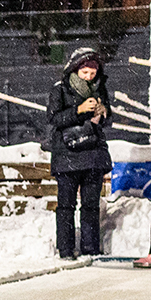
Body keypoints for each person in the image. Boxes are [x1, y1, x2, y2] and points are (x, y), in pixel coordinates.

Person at [47, 47, 112, 258]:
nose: (89, 77)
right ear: (75, 70)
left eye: (92, 73)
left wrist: (103, 113)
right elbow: (54, 119)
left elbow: (107, 119)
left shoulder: (100, 89)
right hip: (67, 155)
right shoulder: (60, 89)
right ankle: (65, 249)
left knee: (91, 206)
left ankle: (90, 249)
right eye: (85, 73)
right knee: (66, 205)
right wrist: (79, 110)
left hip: (93, 155)